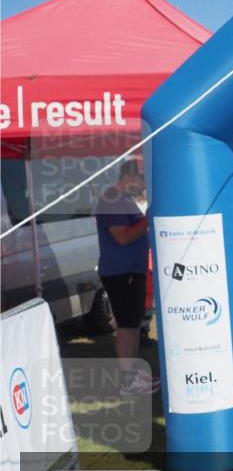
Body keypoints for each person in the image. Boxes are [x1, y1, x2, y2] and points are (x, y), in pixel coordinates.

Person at [95, 159, 159, 396]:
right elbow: (121, 236)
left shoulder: (123, 200)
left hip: (131, 270)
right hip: (121, 272)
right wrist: (147, 219)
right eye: (143, 181)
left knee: (133, 324)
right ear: (131, 177)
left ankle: (132, 375)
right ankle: (127, 380)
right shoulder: (112, 199)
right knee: (127, 326)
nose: (144, 187)